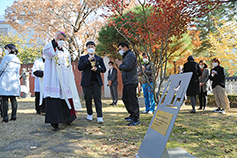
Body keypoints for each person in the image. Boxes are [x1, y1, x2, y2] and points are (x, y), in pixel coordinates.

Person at [43, 31, 82, 131]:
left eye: (63, 40)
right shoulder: (50, 48)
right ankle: (54, 122)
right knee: (54, 100)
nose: (62, 42)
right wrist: (54, 43)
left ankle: (68, 119)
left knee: (66, 98)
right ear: (55, 39)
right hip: (54, 79)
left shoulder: (66, 52)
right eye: (60, 39)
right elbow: (48, 53)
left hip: (65, 79)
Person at [78, 41, 106, 124]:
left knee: (97, 98)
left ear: (95, 48)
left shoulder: (99, 58)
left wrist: (97, 69)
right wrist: (87, 60)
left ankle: (99, 116)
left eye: (92, 46)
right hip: (86, 82)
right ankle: (89, 113)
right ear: (86, 48)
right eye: (89, 47)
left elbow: (104, 69)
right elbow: (80, 67)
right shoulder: (82, 58)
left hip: (96, 81)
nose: (91, 48)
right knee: (88, 98)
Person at [115, 42, 140, 126]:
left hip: (131, 81)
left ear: (125, 48)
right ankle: (132, 114)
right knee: (125, 98)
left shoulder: (130, 55)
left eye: (120, 49)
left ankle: (136, 118)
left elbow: (127, 67)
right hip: (127, 81)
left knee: (133, 100)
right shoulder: (126, 56)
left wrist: (120, 64)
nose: (119, 51)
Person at [0, 44, 21, 122]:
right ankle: (14, 115)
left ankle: (5, 117)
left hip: (6, 79)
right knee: (13, 98)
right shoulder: (17, 58)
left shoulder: (6, 57)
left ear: (9, 49)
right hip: (14, 79)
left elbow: (2, 68)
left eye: (6, 49)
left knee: (4, 98)